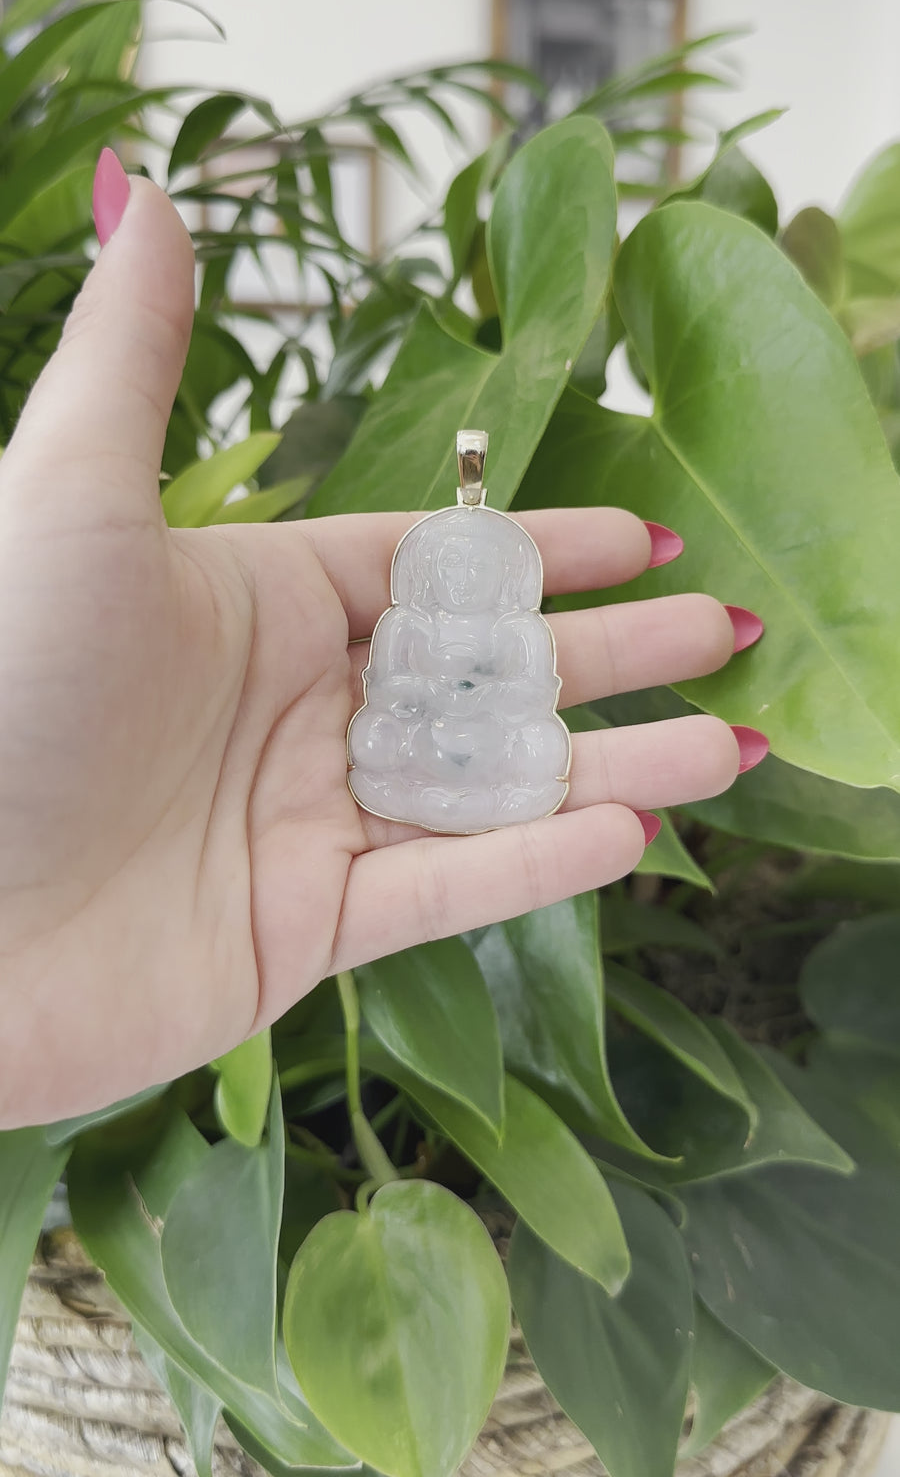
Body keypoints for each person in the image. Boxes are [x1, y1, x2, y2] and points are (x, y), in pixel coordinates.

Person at [0, 151, 767, 1130]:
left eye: (481, 575)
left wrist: (483, 702)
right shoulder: (406, 623)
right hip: (418, 747)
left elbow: (526, 699)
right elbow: (392, 701)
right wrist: (416, 706)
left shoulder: (514, 629)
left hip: (486, 745)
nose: (464, 586)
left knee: (537, 740)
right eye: (451, 574)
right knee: (381, 733)